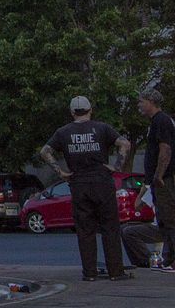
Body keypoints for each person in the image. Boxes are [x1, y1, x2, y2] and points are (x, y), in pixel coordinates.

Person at [39, 95, 134, 282]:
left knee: (85, 230)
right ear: (90, 110)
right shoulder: (102, 128)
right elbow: (125, 143)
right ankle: (116, 271)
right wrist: (117, 166)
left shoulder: (63, 132)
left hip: (79, 184)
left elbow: (45, 151)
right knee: (110, 227)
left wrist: (61, 171)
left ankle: (89, 272)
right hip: (102, 182)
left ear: (72, 112)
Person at [137, 87, 175, 272]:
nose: (139, 104)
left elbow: (165, 149)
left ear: (150, 102)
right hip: (165, 177)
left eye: (141, 101)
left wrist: (159, 175)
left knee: (174, 218)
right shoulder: (158, 121)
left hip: (168, 177)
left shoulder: (160, 121)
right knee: (165, 218)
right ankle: (171, 259)